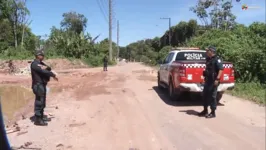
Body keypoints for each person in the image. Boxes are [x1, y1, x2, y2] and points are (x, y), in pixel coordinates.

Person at [30, 50, 58, 126]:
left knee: (42, 102)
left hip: (41, 85)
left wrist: (47, 68)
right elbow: (44, 71)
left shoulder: (40, 63)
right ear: (38, 56)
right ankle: (38, 120)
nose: (43, 57)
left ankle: (41, 117)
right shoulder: (35, 64)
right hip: (38, 85)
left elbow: (48, 68)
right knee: (39, 102)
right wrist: (53, 75)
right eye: (42, 55)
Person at [198, 46, 223, 118]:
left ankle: (213, 112)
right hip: (207, 80)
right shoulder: (208, 59)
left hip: (213, 81)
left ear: (211, 51)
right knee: (205, 95)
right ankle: (205, 110)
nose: (206, 52)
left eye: (208, 51)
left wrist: (217, 79)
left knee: (212, 96)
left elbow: (221, 70)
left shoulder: (217, 60)